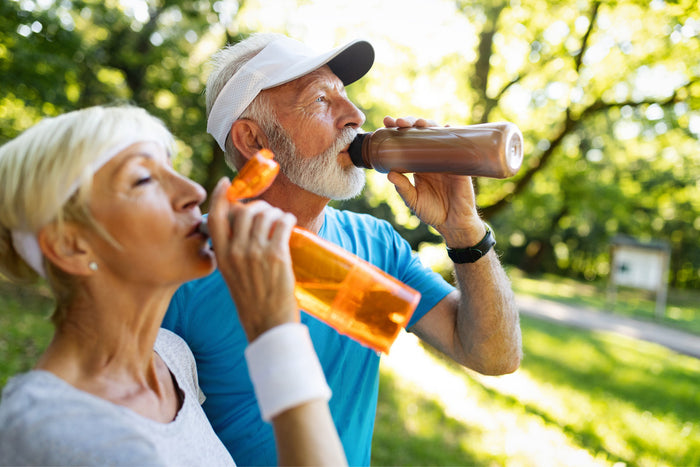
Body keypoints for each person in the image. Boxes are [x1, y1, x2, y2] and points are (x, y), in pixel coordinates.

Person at [163, 33, 523, 466]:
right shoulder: (179, 266)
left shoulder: (374, 246)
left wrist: (464, 231)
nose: (355, 115)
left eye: (346, 97)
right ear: (254, 140)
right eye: (320, 100)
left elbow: (492, 355)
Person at [0, 105, 347, 466]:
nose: (194, 192)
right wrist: (275, 333)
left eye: (171, 169)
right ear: (70, 245)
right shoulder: (50, 430)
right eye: (143, 179)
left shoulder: (172, 359)